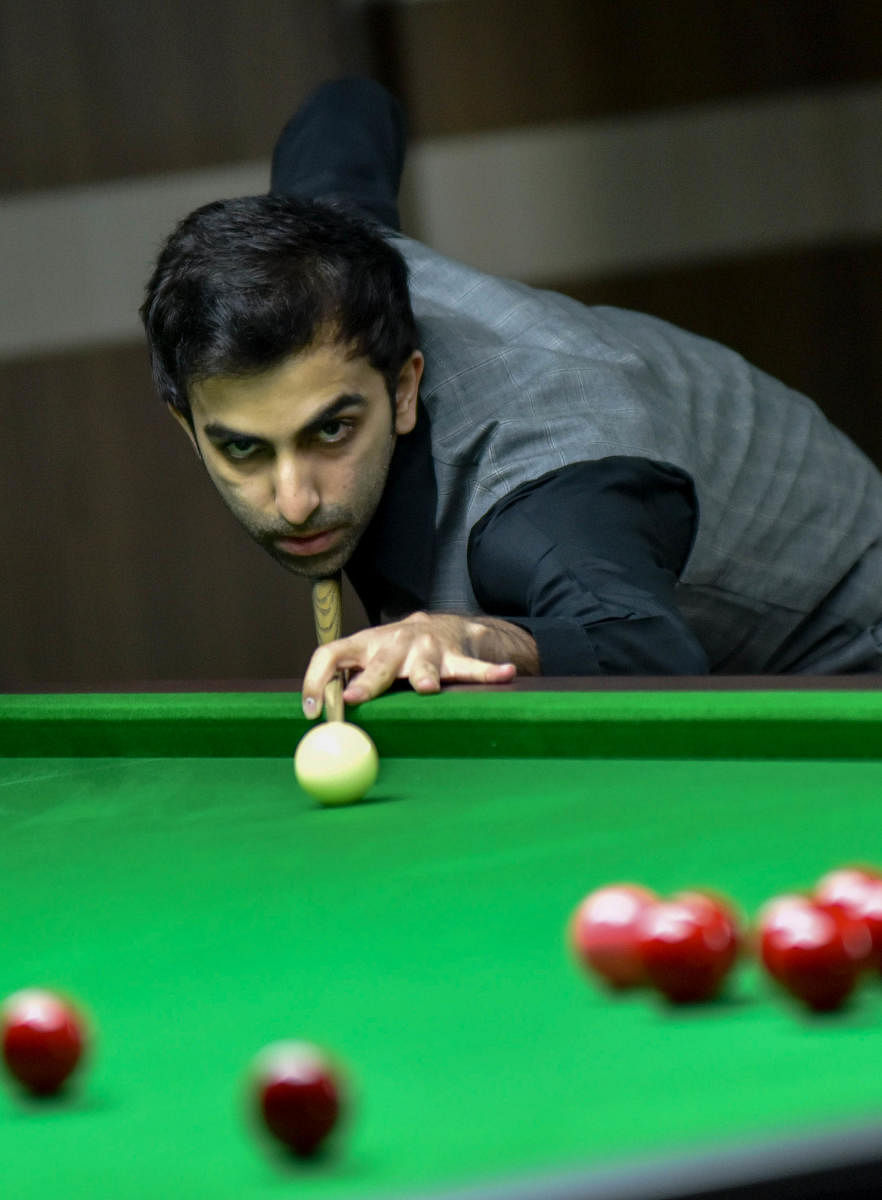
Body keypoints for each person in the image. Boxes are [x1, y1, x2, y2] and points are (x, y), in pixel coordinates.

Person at [140, 78, 882, 716]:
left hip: (842, 650)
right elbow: (345, 113)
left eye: (331, 431)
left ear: (403, 386)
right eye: (243, 448)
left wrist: (470, 633)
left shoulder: (538, 497)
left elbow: (644, 648)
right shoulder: (325, 255)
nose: (294, 501)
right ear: (186, 425)